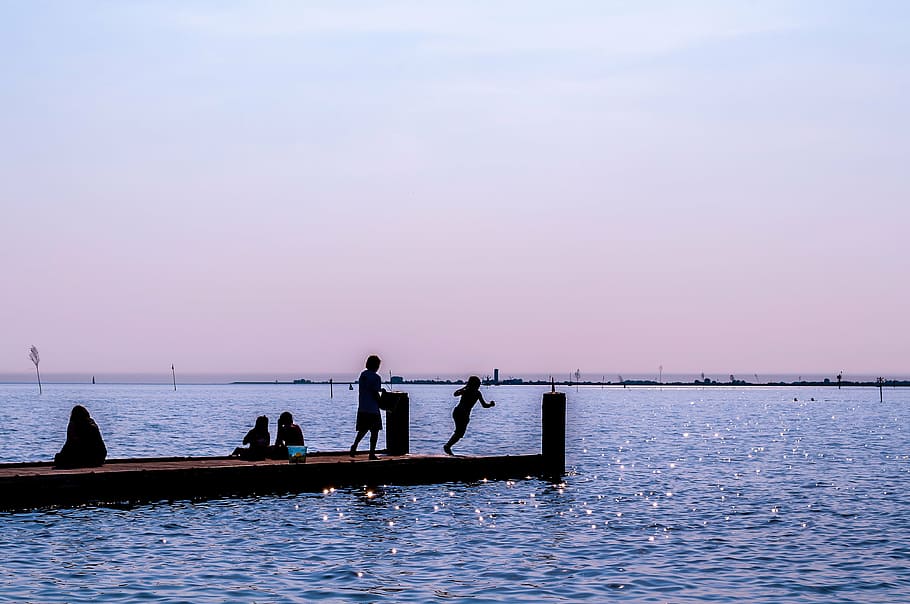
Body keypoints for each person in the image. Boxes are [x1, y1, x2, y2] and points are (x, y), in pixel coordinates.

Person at [444, 376, 495, 456]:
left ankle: (448, 446)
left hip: (460, 413)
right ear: (473, 384)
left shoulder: (474, 392)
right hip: (460, 413)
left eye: (479, 384)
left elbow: (484, 405)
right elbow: (455, 394)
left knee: (460, 433)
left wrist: (490, 405)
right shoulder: (469, 391)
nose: (479, 385)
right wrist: (465, 387)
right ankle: (447, 446)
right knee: (459, 432)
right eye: (478, 384)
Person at [350, 354, 385, 460]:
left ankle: (355, 445)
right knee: (374, 432)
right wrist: (381, 401)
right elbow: (375, 392)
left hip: (362, 407)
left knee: (362, 430)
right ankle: (372, 453)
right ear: (376, 365)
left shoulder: (363, 375)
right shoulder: (376, 377)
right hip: (373, 409)